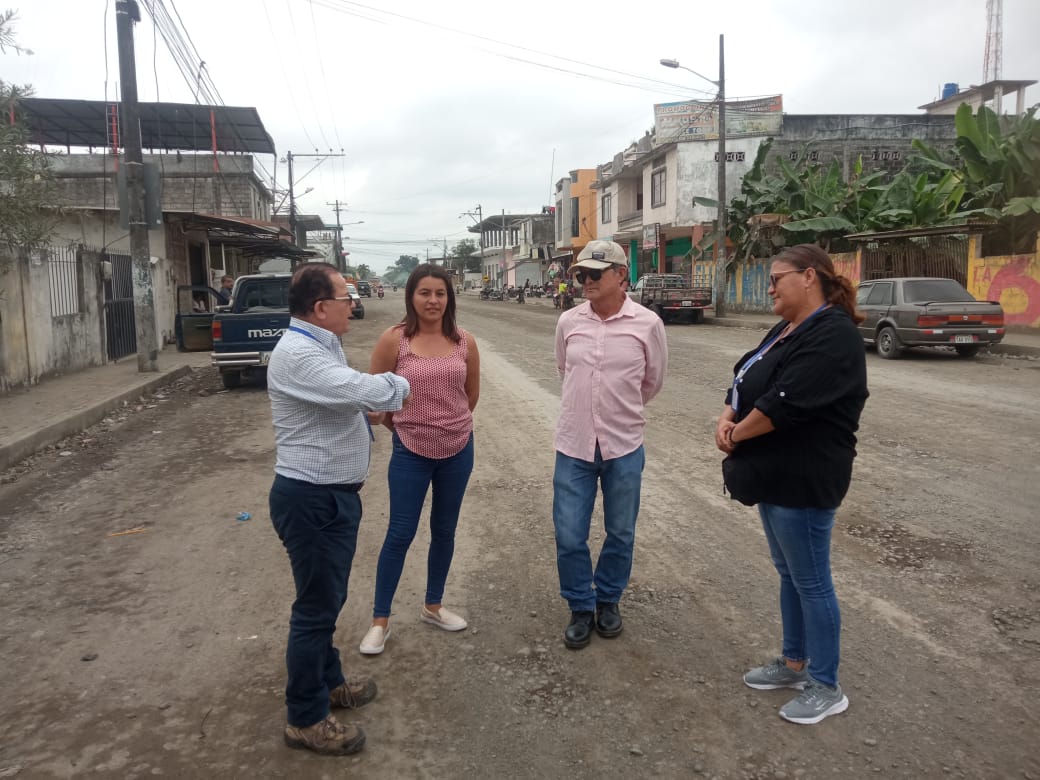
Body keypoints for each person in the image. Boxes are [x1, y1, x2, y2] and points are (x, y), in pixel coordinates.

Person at [716, 244, 868, 726]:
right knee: (790, 573)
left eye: (776, 278)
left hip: (805, 476)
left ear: (809, 277)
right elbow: (747, 374)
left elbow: (786, 402)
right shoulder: (788, 328)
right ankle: (794, 662)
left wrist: (736, 434)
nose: (770, 288)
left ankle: (826, 685)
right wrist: (727, 414)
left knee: (812, 580)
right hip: (774, 474)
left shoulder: (834, 334)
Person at [267, 262, 411, 755]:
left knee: (326, 602)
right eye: (345, 297)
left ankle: (328, 683)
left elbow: (340, 397)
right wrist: (401, 383)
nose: (353, 305)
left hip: (326, 497)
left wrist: (363, 406)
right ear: (320, 307)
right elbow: (363, 388)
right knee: (315, 610)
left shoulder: (319, 344)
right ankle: (305, 717)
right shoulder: (299, 354)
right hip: (313, 499)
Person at [360, 263, 480, 656]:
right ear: (411, 296)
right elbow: (374, 396)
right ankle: (380, 621)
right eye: (424, 293)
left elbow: (470, 395)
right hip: (410, 451)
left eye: (440, 293)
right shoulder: (395, 340)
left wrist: (448, 425)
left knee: (444, 530)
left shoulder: (464, 341)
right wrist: (402, 426)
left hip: (458, 450)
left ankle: (433, 605)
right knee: (400, 533)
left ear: (449, 298)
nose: (433, 300)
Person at [552, 240, 667, 649]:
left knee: (620, 532)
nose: (585, 281)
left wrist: (618, 409)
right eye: (581, 274)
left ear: (621, 275)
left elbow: (652, 381)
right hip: (575, 444)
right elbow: (564, 369)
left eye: (594, 273)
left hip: (623, 445)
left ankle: (608, 600)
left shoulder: (648, 324)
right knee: (569, 534)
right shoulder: (568, 322)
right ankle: (581, 606)